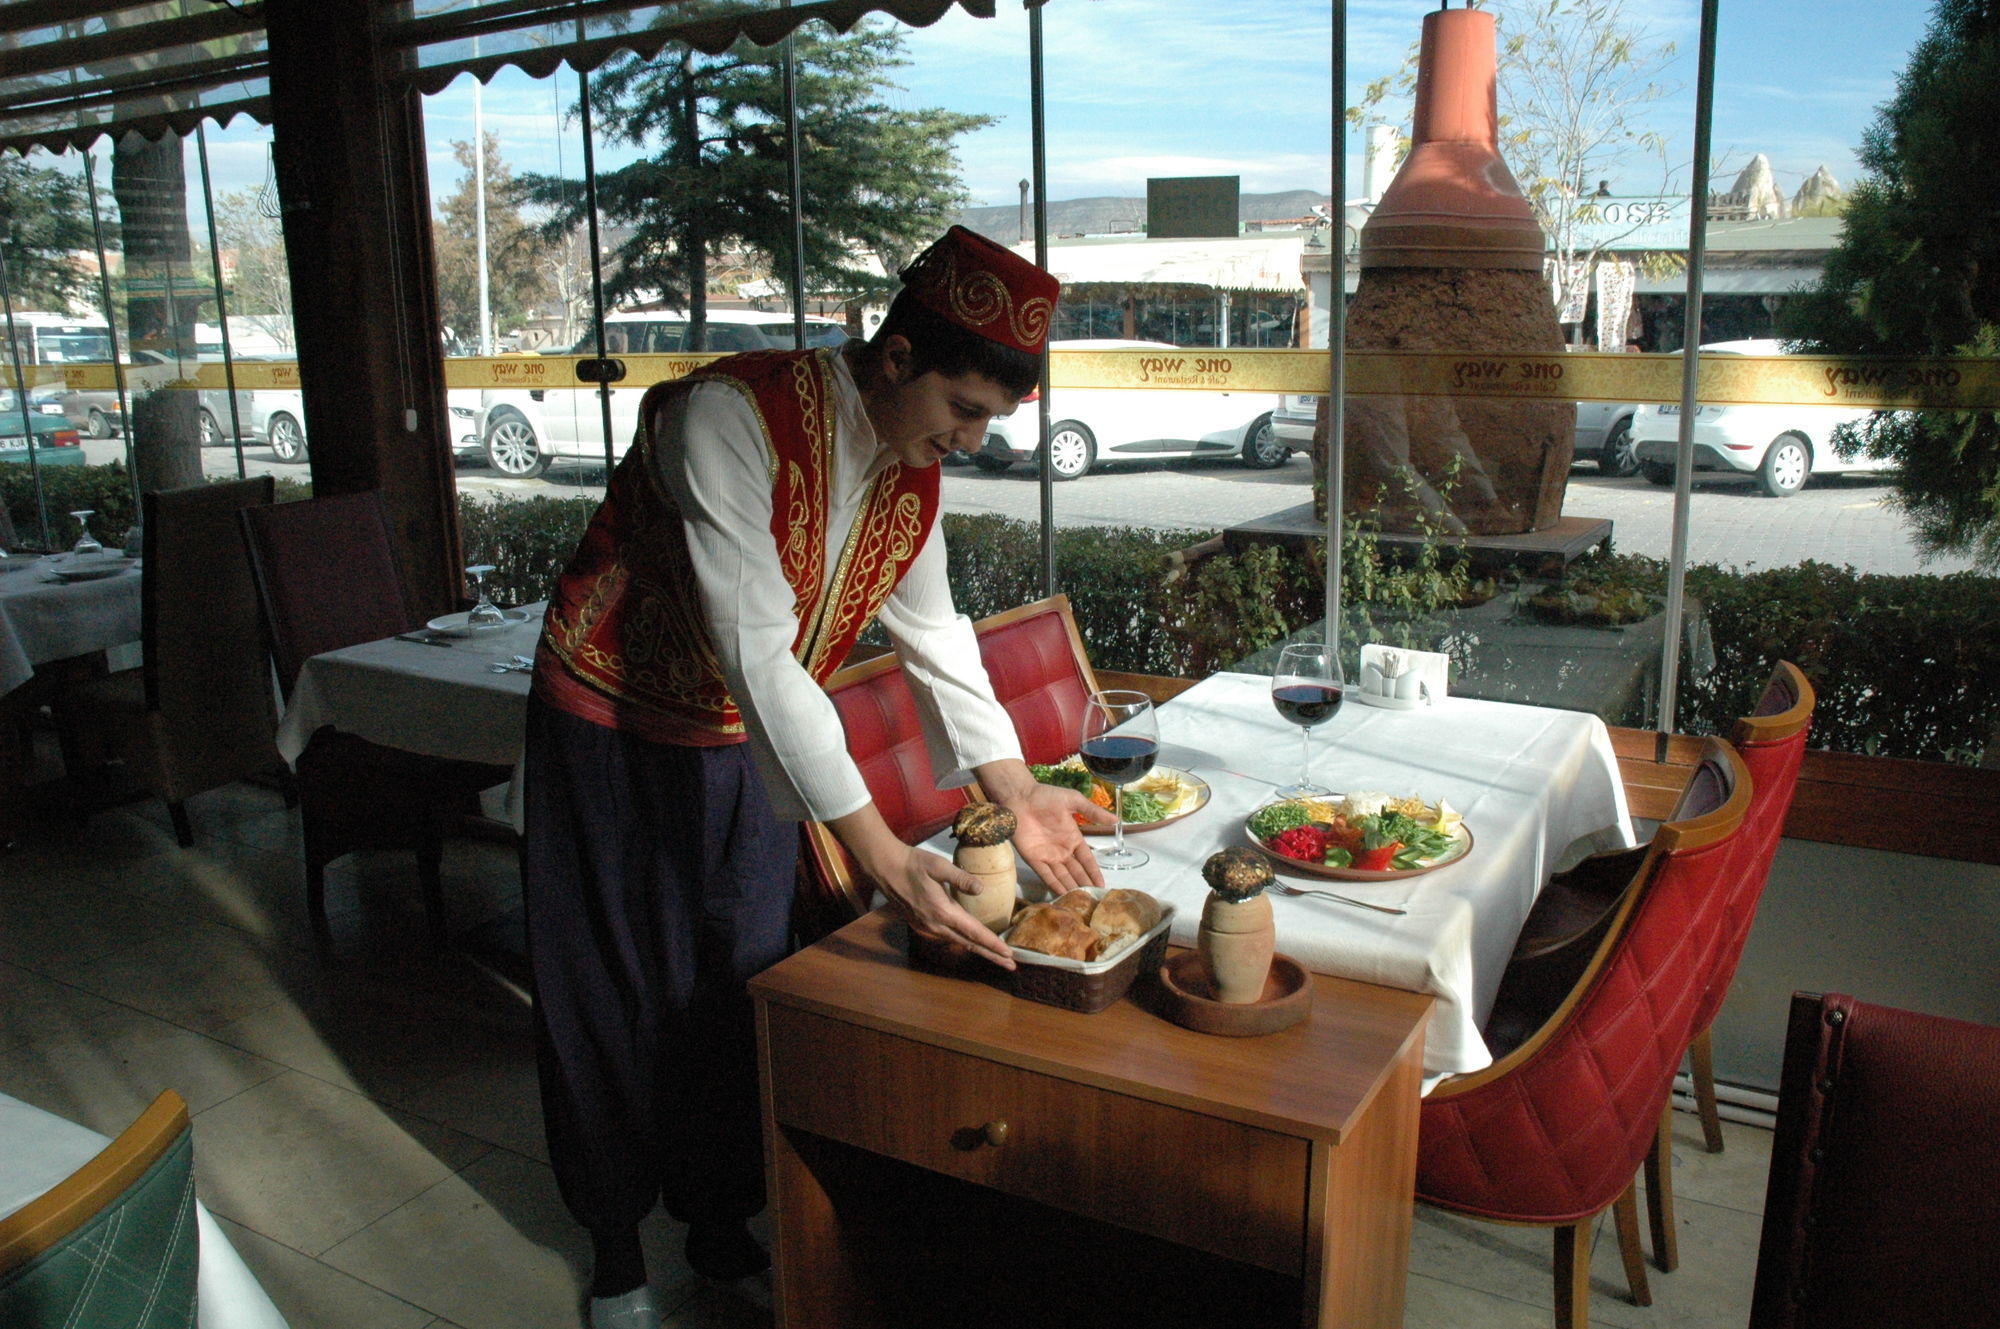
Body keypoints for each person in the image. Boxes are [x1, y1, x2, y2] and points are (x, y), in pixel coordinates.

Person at [521, 226, 1112, 1328]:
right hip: (608, 717)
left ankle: (714, 1219)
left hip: (738, 742)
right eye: (964, 409)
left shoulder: (909, 476)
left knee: (737, 977)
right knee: (611, 986)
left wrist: (1017, 790)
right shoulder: (726, 421)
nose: (972, 439)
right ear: (892, 357)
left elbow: (938, 641)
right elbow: (761, 652)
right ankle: (612, 1248)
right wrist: (879, 850)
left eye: (988, 419)